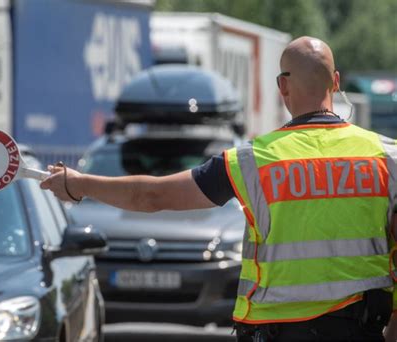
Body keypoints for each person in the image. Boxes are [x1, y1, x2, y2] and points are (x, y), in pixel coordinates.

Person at [41, 36, 397, 341]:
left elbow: (152, 195)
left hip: (277, 330)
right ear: (335, 81)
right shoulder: (386, 156)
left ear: (283, 86)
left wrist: (80, 183)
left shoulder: (252, 160)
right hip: (361, 328)